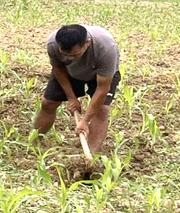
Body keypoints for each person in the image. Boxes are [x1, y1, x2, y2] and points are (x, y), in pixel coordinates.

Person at [33, 24, 119, 155]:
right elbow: (58, 68)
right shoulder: (53, 44)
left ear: (87, 43)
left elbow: (102, 88)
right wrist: (71, 98)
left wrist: (84, 121)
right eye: (65, 55)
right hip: (68, 73)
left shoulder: (106, 49)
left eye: (74, 55)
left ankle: (90, 155)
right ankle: (34, 144)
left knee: (101, 110)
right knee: (48, 103)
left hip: (99, 73)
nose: (69, 59)